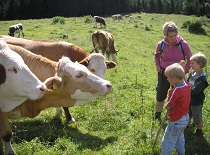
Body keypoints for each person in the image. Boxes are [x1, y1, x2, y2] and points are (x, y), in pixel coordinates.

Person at [154, 21, 192, 120]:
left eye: (175, 35)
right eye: (170, 36)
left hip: (178, 75)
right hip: (163, 74)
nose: (173, 38)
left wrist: (185, 71)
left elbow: (190, 59)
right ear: (165, 35)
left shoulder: (183, 44)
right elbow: (157, 55)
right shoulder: (161, 44)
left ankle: (183, 116)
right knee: (161, 94)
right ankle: (157, 115)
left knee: (181, 95)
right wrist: (158, 66)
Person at [161, 63, 190, 155]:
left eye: (168, 77)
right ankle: (181, 153)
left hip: (176, 120)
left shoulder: (176, 91)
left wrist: (166, 105)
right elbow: (183, 78)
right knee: (179, 137)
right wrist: (183, 68)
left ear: (174, 78)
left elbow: (169, 106)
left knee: (167, 141)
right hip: (185, 118)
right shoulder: (187, 85)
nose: (167, 79)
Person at [187, 52, 209, 136]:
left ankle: (199, 129)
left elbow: (195, 91)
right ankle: (187, 125)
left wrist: (186, 90)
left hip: (196, 101)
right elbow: (188, 82)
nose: (191, 65)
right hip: (189, 98)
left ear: (200, 64)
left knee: (197, 115)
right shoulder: (192, 73)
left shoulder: (202, 78)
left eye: (193, 63)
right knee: (188, 112)